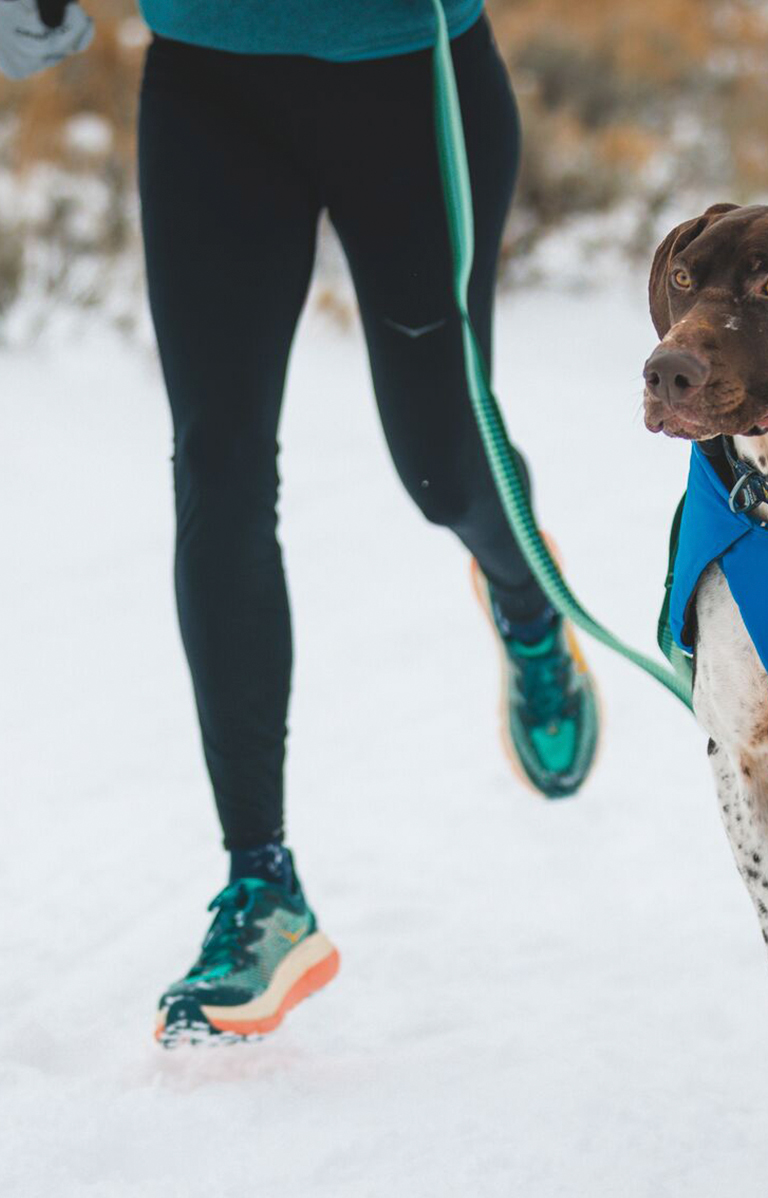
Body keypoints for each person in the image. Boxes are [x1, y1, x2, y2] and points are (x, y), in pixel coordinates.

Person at [1, 0, 601, 1044]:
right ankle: (262, 889)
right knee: (218, 466)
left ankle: (525, 599)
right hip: (208, 80)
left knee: (445, 467)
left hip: (413, 78)